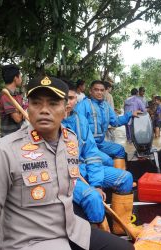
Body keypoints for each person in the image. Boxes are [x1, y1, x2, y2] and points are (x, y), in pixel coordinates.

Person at [0, 76, 133, 250]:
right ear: (28, 107)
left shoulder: (70, 140)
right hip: (31, 242)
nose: (44, 110)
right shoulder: (3, 151)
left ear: (66, 109)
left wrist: (96, 184)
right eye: (36, 103)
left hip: (72, 230)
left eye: (53, 103)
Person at [62, 80, 139, 236]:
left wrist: (96, 183)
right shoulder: (55, 120)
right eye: (63, 99)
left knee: (126, 176)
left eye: (71, 98)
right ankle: (99, 234)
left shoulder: (81, 119)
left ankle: (120, 225)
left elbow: (90, 153)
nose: (67, 103)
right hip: (67, 173)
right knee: (95, 194)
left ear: (76, 98)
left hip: (91, 155)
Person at [75, 80, 140, 169]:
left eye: (102, 90)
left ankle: (120, 176)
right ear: (90, 91)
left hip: (100, 143)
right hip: (87, 146)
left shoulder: (106, 106)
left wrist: (130, 114)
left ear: (105, 92)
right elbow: (78, 132)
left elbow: (115, 121)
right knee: (108, 161)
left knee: (120, 150)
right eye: (96, 90)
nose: (99, 92)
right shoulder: (82, 105)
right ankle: (111, 177)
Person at [0, 64, 26, 137]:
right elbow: (18, 119)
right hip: (9, 137)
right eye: (20, 77)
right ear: (15, 78)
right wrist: (24, 108)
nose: (21, 79)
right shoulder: (5, 95)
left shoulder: (17, 95)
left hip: (19, 134)